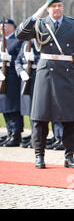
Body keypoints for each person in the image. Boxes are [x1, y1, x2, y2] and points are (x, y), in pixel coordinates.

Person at [15, 0, 74, 168]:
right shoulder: (40, 23)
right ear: (47, 8)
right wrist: (36, 15)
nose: (57, 9)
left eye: (60, 6)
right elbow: (20, 34)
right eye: (53, 6)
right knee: (40, 117)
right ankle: (39, 155)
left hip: (67, 73)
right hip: (45, 73)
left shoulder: (73, 24)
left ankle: (69, 156)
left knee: (69, 118)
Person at [0, 19, 24, 147]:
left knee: (12, 106)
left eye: (4, 26)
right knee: (4, 107)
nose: (2, 29)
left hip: (12, 78)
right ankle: (9, 132)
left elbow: (21, 58)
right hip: (2, 77)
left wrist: (10, 59)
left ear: (11, 27)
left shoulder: (17, 40)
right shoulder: (1, 41)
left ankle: (16, 134)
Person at [14, 38, 40, 148]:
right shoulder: (25, 43)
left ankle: (37, 137)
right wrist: (21, 72)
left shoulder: (40, 42)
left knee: (37, 109)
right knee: (30, 108)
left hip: (37, 76)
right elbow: (18, 60)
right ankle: (34, 136)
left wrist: (36, 59)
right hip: (26, 77)